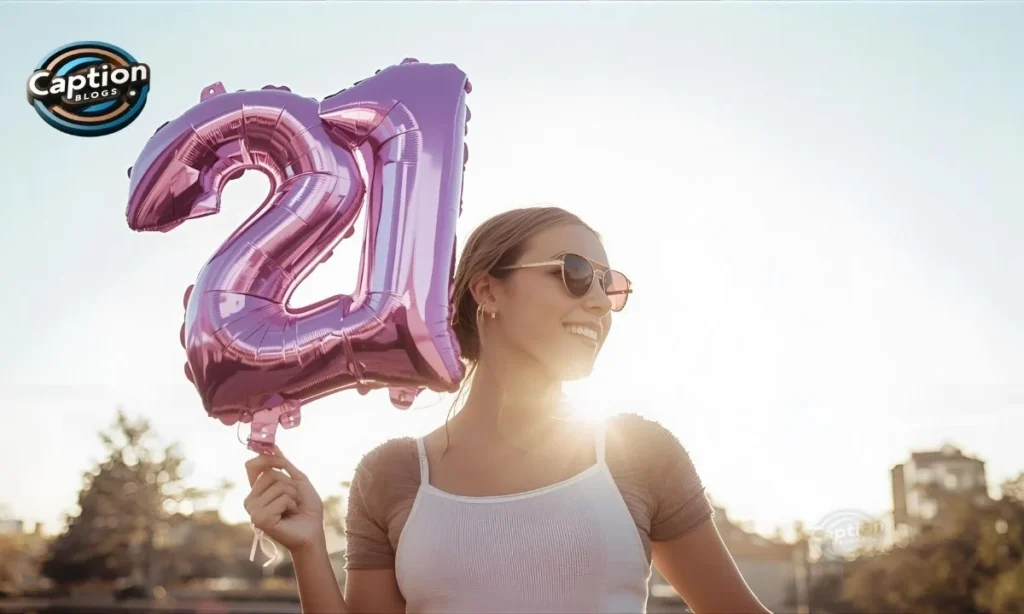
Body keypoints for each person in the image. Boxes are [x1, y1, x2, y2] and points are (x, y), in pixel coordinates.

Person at [244, 206, 771, 613]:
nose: (598, 302)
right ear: (487, 290)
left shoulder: (640, 454)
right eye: (576, 272)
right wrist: (309, 548)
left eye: (609, 286)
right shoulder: (393, 475)